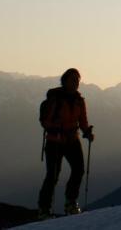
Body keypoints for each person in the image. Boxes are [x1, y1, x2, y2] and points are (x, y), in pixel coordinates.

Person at [37, 68, 94, 218]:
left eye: (78, 80)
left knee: (78, 169)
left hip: (70, 140)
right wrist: (55, 127)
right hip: (55, 141)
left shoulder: (79, 101)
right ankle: (45, 208)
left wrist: (87, 132)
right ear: (65, 81)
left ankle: (70, 201)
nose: (76, 83)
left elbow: (82, 121)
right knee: (53, 176)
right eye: (73, 80)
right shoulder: (55, 99)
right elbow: (45, 122)